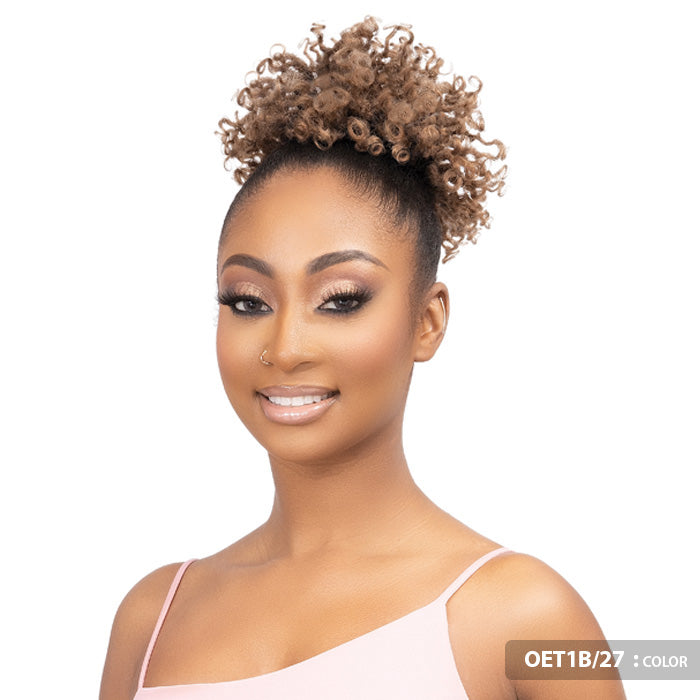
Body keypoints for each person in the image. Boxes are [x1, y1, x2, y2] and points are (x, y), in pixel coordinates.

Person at [100, 17, 626, 700]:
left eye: (341, 300)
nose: (285, 347)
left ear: (427, 322)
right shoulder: (151, 619)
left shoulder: (523, 616)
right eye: (248, 300)